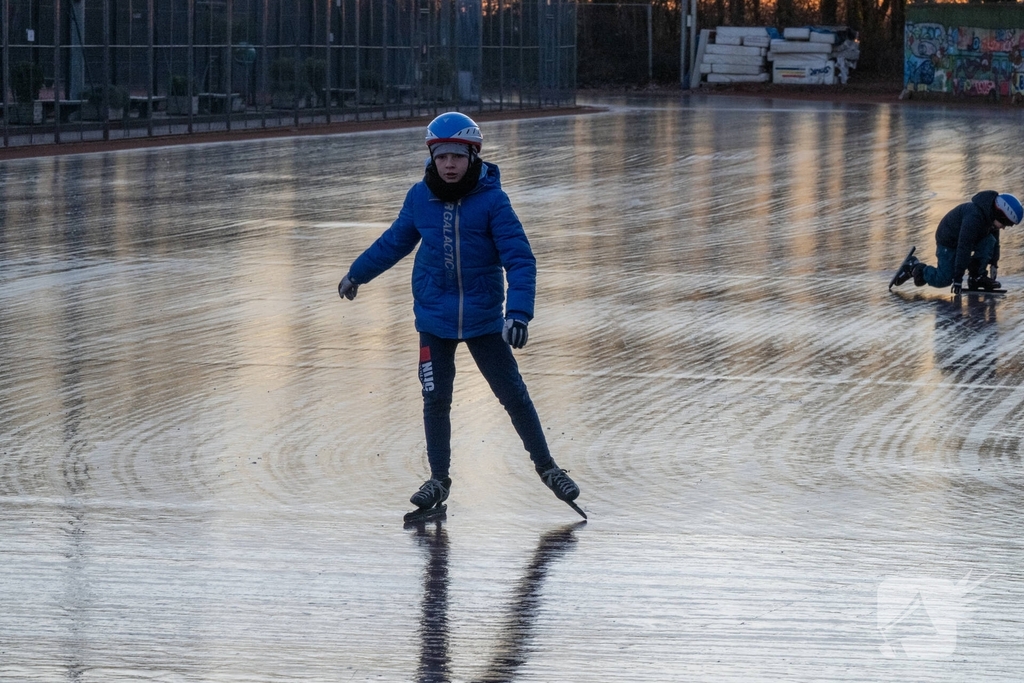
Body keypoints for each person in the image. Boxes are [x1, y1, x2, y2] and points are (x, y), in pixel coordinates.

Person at [337, 112, 580, 513]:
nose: (450, 165)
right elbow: (394, 242)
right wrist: (356, 274)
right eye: (442, 156)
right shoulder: (420, 198)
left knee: (513, 396)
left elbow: (520, 260)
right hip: (434, 321)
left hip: (485, 321)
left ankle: (547, 467)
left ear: (473, 156)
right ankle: (438, 479)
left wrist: (518, 314)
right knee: (435, 400)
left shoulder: (493, 202)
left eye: (458, 157)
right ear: (432, 158)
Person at [893, 191, 1022, 294]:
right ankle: (915, 268)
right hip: (948, 241)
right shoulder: (974, 218)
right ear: (999, 214)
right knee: (944, 279)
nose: (1005, 227)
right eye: (1006, 223)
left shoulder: (990, 218)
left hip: (967, 240)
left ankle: (976, 278)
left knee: (990, 241)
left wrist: (994, 263)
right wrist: (958, 279)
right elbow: (964, 247)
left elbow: (995, 243)